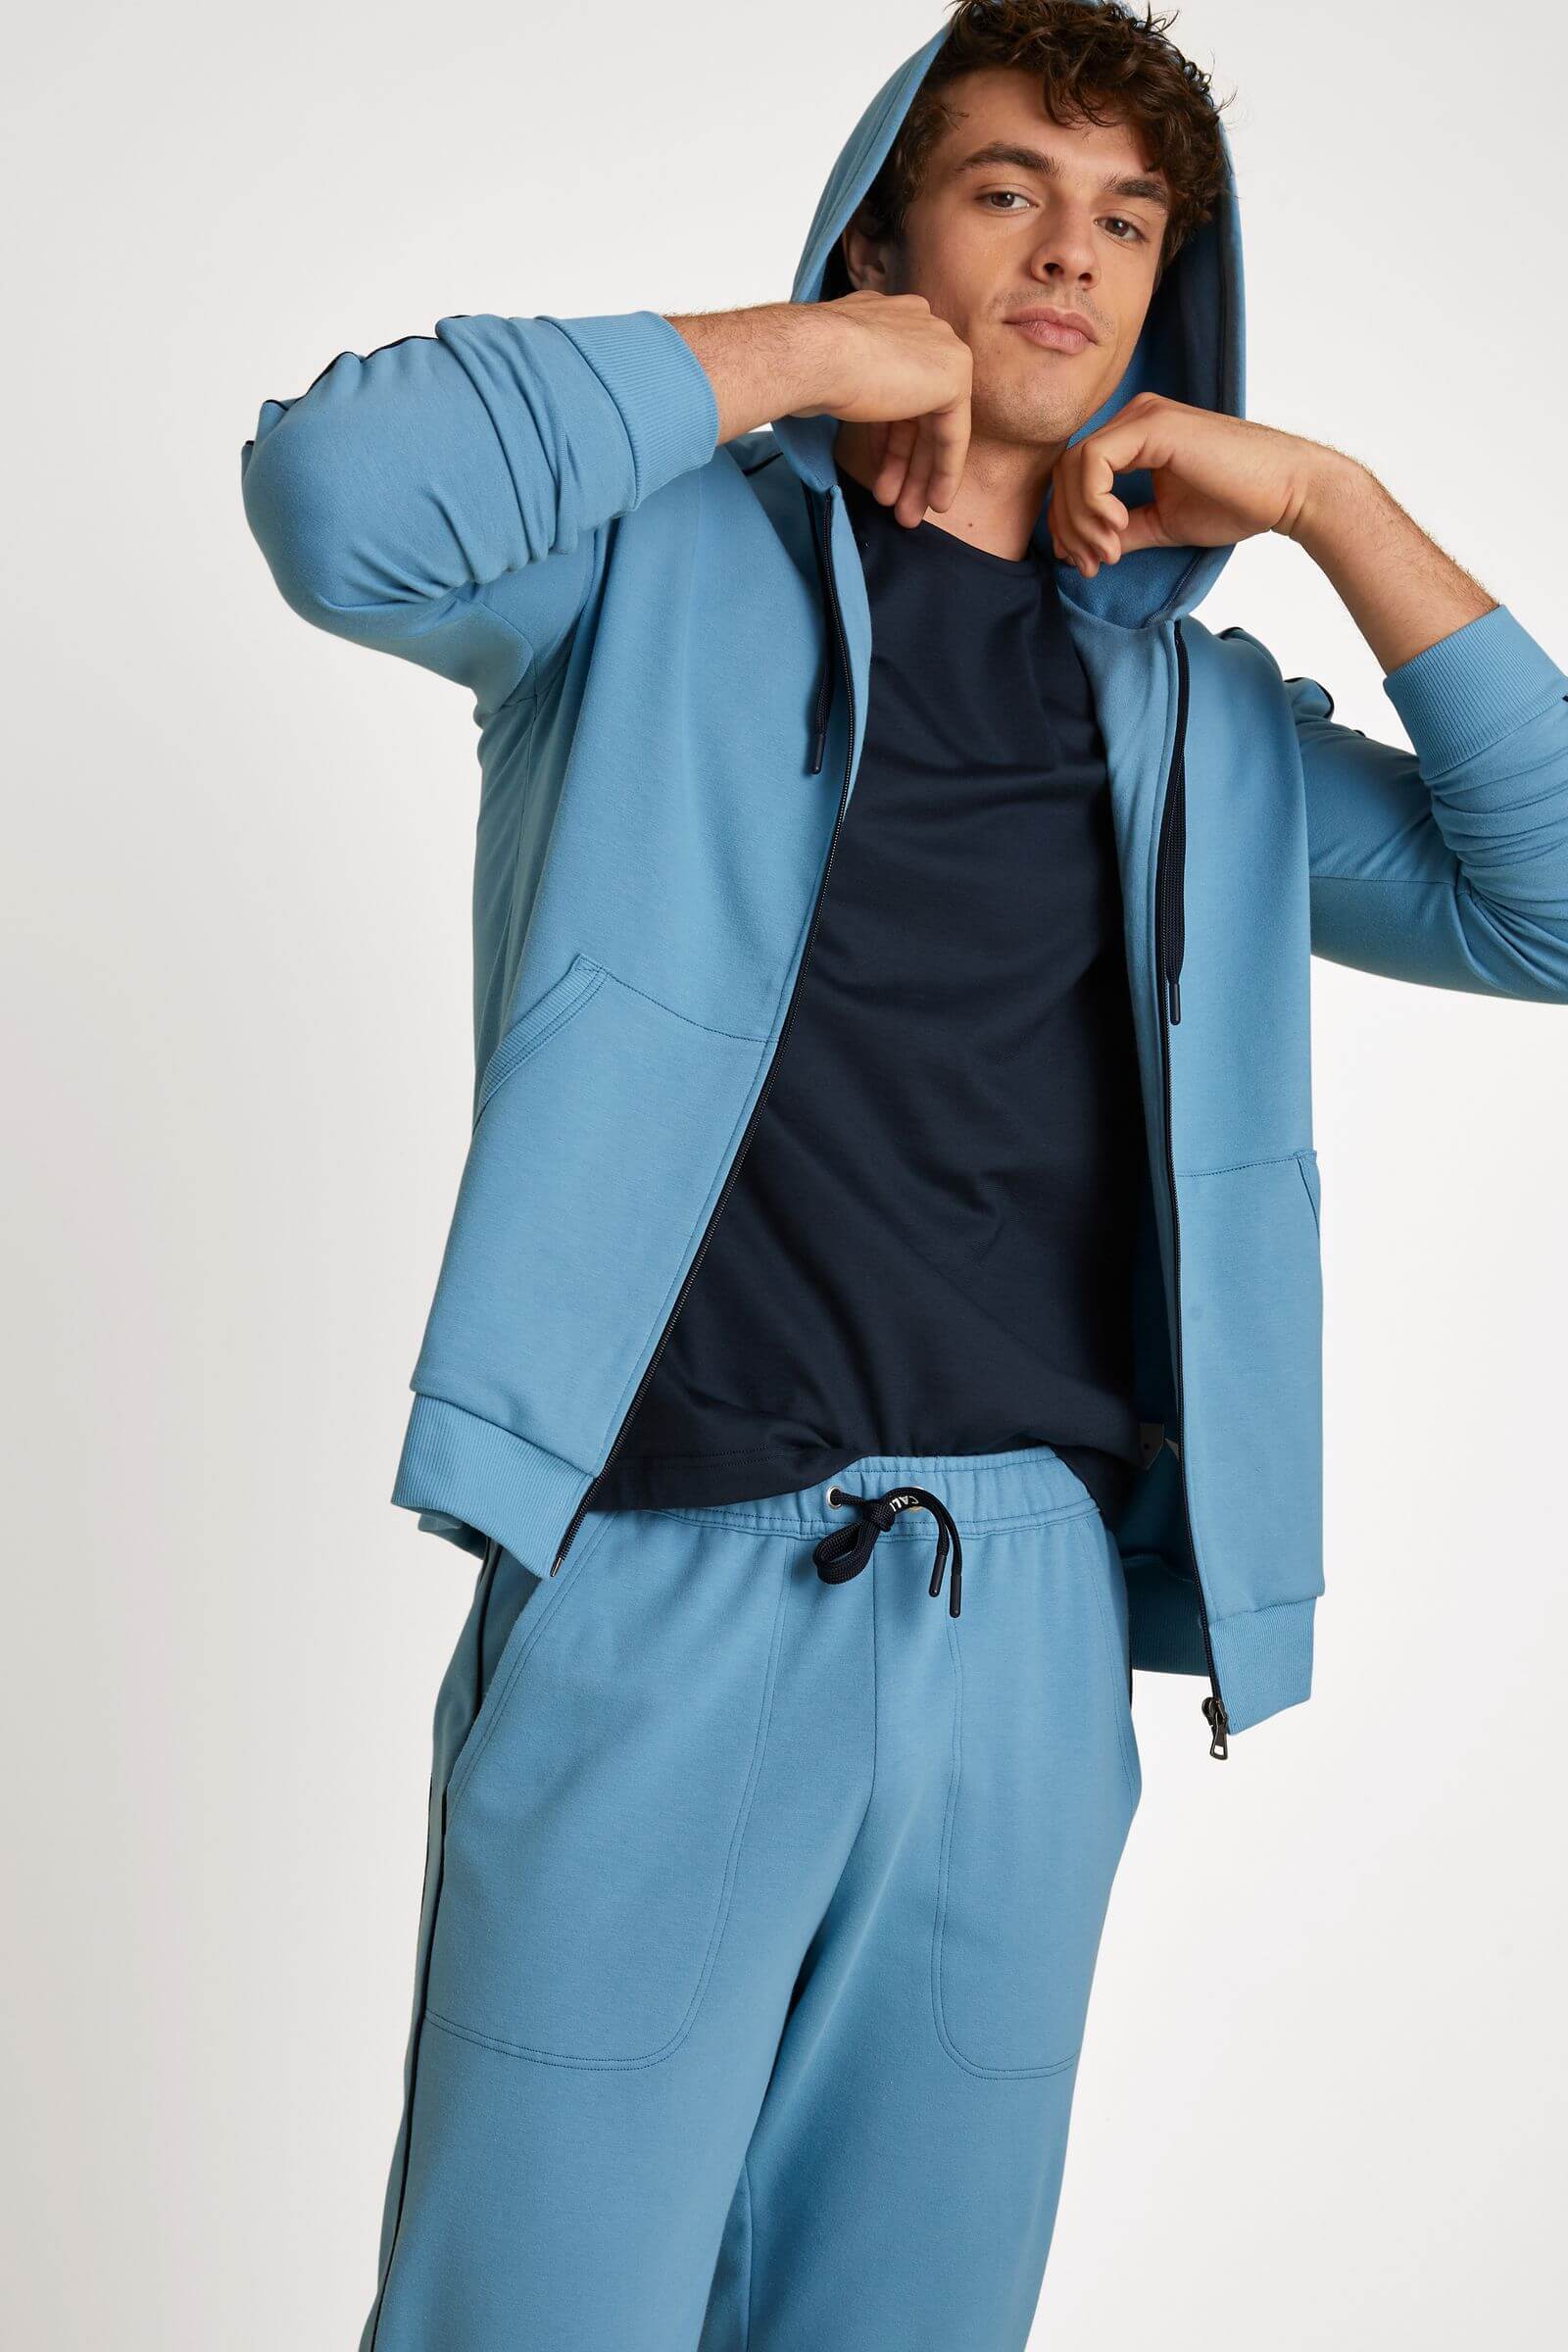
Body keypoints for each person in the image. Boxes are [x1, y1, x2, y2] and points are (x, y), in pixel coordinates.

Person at [239, 3, 1568, 2344]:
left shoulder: (1194, 725)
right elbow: (341, 496)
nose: (1067, 254)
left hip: (1021, 1634)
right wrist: (798, 358)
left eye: (1123, 221)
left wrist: (1332, 505)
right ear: (882, 236)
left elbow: (1541, 909)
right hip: (663, 1577)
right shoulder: (636, 581)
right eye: (1003, 191)